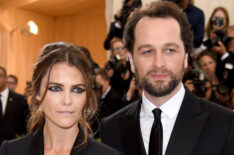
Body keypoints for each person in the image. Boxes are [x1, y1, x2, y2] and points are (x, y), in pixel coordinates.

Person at [100, 1, 234, 155]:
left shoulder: (225, 124)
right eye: (147, 51)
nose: (159, 63)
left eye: (169, 50)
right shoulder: (111, 129)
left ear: (185, 57)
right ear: (131, 60)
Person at [0, 42, 121, 155]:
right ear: (37, 92)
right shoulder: (10, 151)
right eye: (55, 88)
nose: (67, 100)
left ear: (87, 97)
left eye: (77, 90)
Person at [0, 67, 29, 144]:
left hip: (12, 146)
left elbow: (26, 125)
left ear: (6, 78)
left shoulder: (19, 100)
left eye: (0, 76)